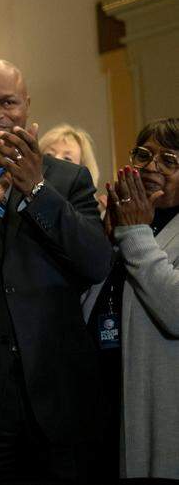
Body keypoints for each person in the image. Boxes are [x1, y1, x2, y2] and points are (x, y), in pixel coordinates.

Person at [0, 59, 111, 481]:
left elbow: (96, 262)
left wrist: (37, 191)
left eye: (7, 102)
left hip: (58, 394)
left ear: (26, 105)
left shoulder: (68, 179)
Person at [104, 118, 179, 479]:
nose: (152, 167)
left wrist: (133, 233)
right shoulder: (128, 218)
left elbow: (175, 311)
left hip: (161, 411)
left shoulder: (135, 226)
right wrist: (107, 241)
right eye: (144, 155)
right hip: (106, 397)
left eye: (169, 160)